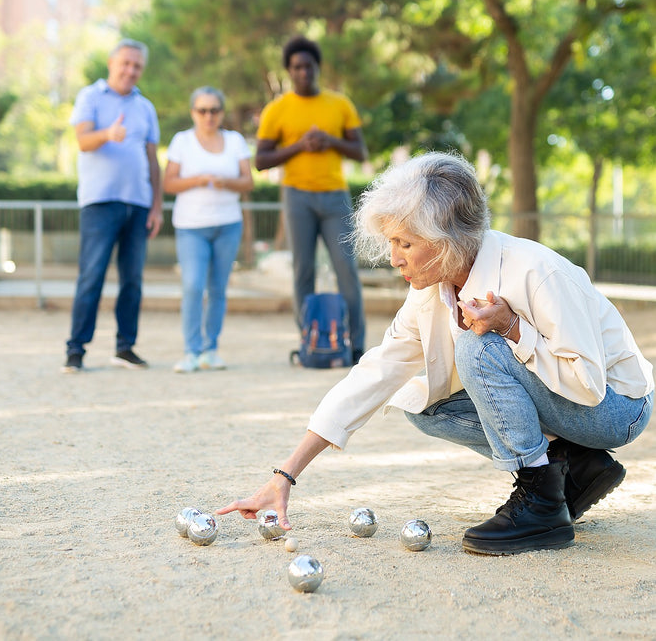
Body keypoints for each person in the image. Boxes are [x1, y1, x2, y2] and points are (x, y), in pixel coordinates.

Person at [217, 151, 654, 556]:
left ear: (444, 240)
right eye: (391, 243)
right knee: (420, 403)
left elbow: (589, 386)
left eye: (405, 244)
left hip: (618, 408)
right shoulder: (432, 290)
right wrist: (285, 475)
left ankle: (541, 502)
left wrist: (511, 327)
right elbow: (374, 375)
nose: (394, 259)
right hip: (577, 405)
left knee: (479, 347)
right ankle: (573, 467)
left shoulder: (537, 271)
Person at [255, 36, 368, 363]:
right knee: (302, 271)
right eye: (297, 67)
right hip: (297, 198)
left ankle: (356, 344)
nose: (304, 72)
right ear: (289, 71)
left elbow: (360, 151)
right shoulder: (277, 110)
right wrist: (299, 146)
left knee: (346, 269)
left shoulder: (340, 104)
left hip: (335, 196)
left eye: (309, 66)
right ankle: (310, 340)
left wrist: (330, 140)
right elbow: (261, 160)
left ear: (318, 68)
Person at [62, 39, 163, 373]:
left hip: (138, 204)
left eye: (137, 66)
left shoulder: (145, 107)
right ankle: (75, 350)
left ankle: (125, 348)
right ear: (111, 63)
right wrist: (108, 134)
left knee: (132, 280)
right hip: (100, 203)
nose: (131, 70)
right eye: (126, 63)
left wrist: (157, 205)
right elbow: (82, 141)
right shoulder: (90, 97)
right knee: (91, 276)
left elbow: (152, 160)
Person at [163, 86, 254, 372]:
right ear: (193, 113)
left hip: (227, 224)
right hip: (191, 226)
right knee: (192, 285)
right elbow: (169, 183)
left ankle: (210, 350)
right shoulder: (182, 141)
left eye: (214, 110)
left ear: (221, 113)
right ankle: (191, 351)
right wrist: (199, 180)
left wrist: (224, 182)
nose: (208, 116)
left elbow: (247, 182)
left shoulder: (235, 140)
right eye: (202, 110)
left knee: (218, 289)